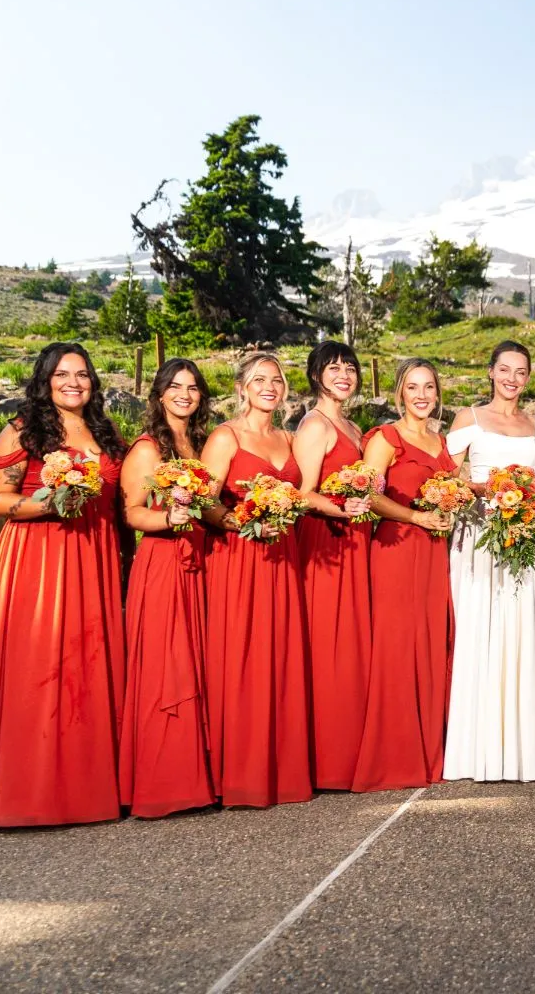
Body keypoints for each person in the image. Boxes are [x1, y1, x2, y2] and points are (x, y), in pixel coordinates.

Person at [0, 342, 127, 827]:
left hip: (95, 557)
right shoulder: (24, 429)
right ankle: (33, 794)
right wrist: (51, 503)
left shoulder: (104, 431)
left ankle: (88, 792)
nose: (74, 382)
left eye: (83, 374)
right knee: (42, 670)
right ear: (44, 379)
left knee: (88, 668)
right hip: (39, 563)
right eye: (63, 373)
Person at [200, 352, 312, 808]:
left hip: (284, 559)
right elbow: (204, 502)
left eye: (278, 380)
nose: (271, 386)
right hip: (241, 559)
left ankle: (283, 771)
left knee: (281, 658)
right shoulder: (225, 437)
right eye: (260, 379)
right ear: (242, 387)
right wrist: (240, 523)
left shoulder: (288, 437)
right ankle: (241, 773)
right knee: (244, 659)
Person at [442, 341, 535, 782]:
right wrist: (487, 489)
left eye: (520, 371)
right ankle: (475, 750)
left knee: (519, 632)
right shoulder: (467, 419)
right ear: (491, 372)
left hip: (524, 539)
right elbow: (447, 479)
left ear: (528, 377)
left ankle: (521, 751)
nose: (511, 378)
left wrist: (532, 496)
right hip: (478, 539)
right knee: (479, 632)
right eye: (504, 369)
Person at [118, 358, 218, 818]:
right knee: (165, 667)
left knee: (197, 663)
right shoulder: (146, 448)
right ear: (159, 394)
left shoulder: (200, 442)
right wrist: (167, 519)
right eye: (176, 387)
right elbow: (132, 512)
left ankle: (199, 776)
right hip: (161, 563)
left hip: (201, 561)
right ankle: (163, 783)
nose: (185, 394)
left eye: (193, 387)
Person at [353, 358, 457, 791]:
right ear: (399, 393)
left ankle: (433, 751)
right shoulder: (385, 438)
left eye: (428, 387)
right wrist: (417, 517)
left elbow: (454, 491)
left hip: (434, 554)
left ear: (437, 394)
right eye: (413, 387)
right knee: (398, 648)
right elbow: (368, 495)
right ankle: (395, 755)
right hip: (397, 549)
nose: (421, 395)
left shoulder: (442, 440)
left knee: (431, 644)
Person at [294, 341, 373, 790]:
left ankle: (351, 748)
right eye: (333, 367)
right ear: (317, 375)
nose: (343, 374)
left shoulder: (353, 425)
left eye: (350, 367)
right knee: (330, 647)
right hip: (328, 542)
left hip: (355, 540)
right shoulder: (315, 426)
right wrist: (343, 510)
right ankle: (327, 758)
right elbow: (302, 493)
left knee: (354, 646)